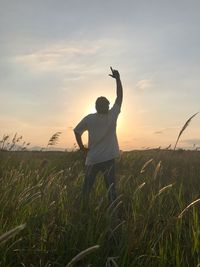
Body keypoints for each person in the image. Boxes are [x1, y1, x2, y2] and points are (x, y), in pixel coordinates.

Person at [73, 67, 123, 204]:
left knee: (86, 190)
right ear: (107, 106)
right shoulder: (112, 115)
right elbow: (119, 97)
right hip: (108, 159)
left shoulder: (89, 118)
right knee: (111, 191)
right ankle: (114, 215)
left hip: (93, 159)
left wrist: (82, 148)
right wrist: (118, 79)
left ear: (96, 107)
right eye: (107, 104)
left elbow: (76, 131)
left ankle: (83, 211)